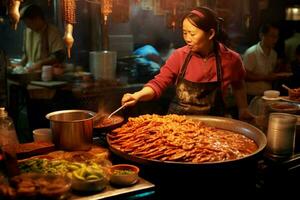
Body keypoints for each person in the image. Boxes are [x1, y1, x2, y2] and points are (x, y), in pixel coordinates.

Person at [121, 7, 252, 120]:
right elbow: (158, 83)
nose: (187, 38)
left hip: (214, 124)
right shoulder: (179, 56)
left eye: (192, 34)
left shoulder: (231, 59)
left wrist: (243, 108)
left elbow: (238, 84)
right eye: (184, 33)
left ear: (211, 33)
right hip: (179, 123)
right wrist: (137, 95)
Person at [243, 23, 291, 102]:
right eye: (272, 36)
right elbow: (245, 75)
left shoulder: (273, 54)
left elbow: (270, 73)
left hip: (268, 96)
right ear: (262, 35)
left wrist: (280, 71)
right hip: (252, 96)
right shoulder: (251, 53)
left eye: (277, 37)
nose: (275, 40)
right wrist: (266, 77)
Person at [11, 4, 66, 72]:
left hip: (47, 74)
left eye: (28, 23)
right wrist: (19, 65)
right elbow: (26, 56)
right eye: (25, 23)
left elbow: (59, 56)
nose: (27, 26)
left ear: (38, 18)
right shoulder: (27, 31)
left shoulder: (53, 32)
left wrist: (40, 63)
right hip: (31, 72)